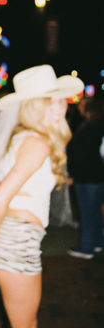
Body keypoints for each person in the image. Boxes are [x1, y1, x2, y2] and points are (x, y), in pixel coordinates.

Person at [0, 64, 84, 328]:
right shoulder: (37, 143)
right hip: (16, 241)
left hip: (13, 238)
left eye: (60, 101)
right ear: (32, 106)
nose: (59, 108)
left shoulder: (21, 138)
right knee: (25, 324)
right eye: (49, 103)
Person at [67, 96, 104, 259]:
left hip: (87, 177)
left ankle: (86, 248)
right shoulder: (94, 125)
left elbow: (83, 156)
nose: (79, 107)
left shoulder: (91, 128)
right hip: (96, 175)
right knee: (94, 211)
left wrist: (73, 175)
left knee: (88, 212)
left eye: (82, 105)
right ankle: (96, 242)